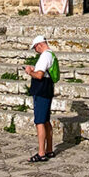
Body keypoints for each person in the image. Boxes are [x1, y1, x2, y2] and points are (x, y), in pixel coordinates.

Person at [23, 34, 58, 162]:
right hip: (47, 88)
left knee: (40, 122)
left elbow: (39, 75)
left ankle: (41, 152)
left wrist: (29, 71)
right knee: (46, 120)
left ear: (39, 45)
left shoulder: (45, 56)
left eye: (35, 48)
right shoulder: (51, 55)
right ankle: (49, 149)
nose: (35, 50)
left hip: (41, 90)